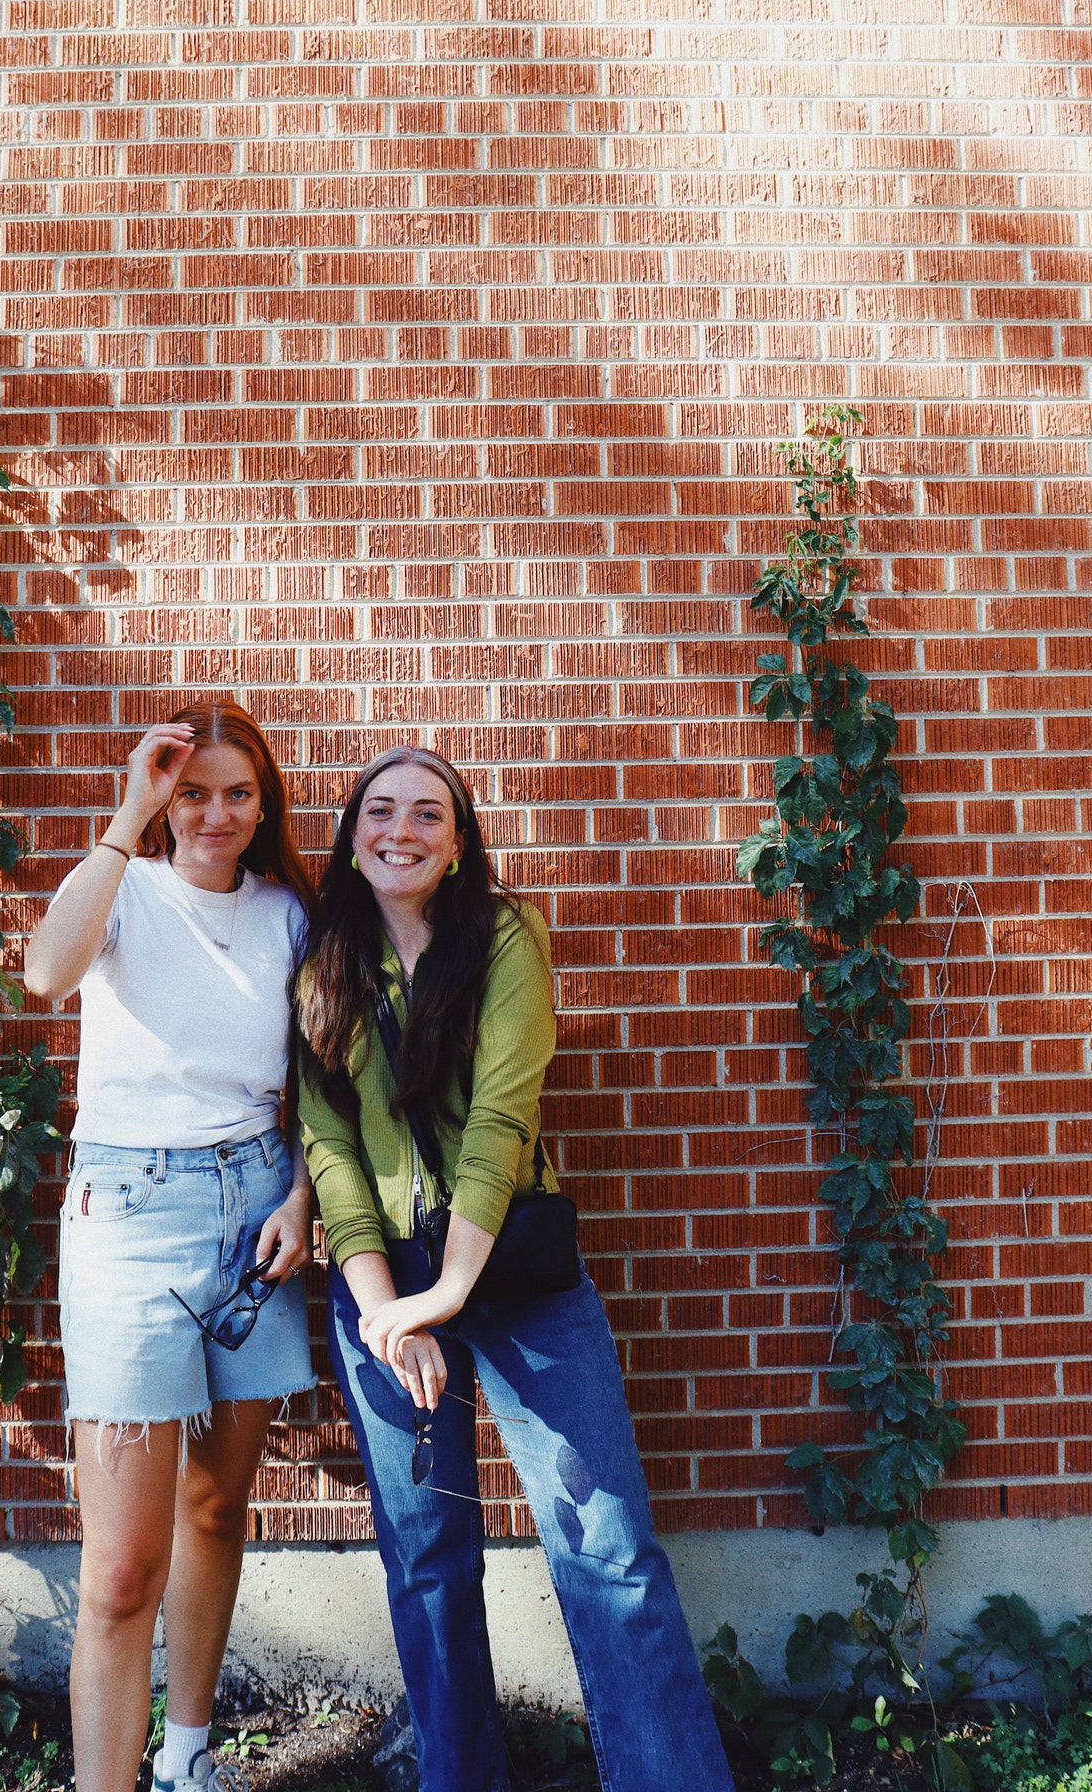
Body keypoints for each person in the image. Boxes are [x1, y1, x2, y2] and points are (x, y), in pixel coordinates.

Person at [295, 746, 735, 1792]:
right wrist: (383, 1313)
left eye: (428, 814)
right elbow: (328, 1149)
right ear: (353, 834)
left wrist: (445, 1291)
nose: (400, 828)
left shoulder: (504, 937)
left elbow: (500, 1120)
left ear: (456, 842)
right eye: (380, 809)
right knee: (427, 1559)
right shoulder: (320, 965)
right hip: (382, 1284)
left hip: (511, 1267)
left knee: (608, 1550)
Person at [24, 702, 317, 1792]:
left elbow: (318, 1085)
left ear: (263, 801)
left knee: (214, 1505)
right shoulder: (125, 890)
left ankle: (189, 1759)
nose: (216, 813)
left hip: (252, 1213)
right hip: (129, 1217)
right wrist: (126, 811)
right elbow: (46, 972)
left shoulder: (288, 912)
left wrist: (303, 1194)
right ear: (161, 792)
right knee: (120, 1565)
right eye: (192, 789)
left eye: (237, 791)